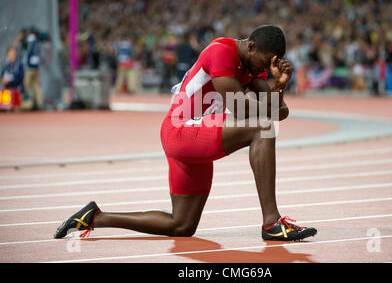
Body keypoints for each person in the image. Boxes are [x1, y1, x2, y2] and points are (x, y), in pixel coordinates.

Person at [54, 25, 317, 242]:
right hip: (181, 130)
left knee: (181, 226)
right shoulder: (222, 52)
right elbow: (241, 108)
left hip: (195, 135)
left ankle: (95, 217)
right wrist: (270, 101)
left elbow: (280, 111)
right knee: (263, 127)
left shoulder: (253, 65)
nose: (264, 68)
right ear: (250, 47)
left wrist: (279, 86)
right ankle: (272, 222)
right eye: (264, 61)